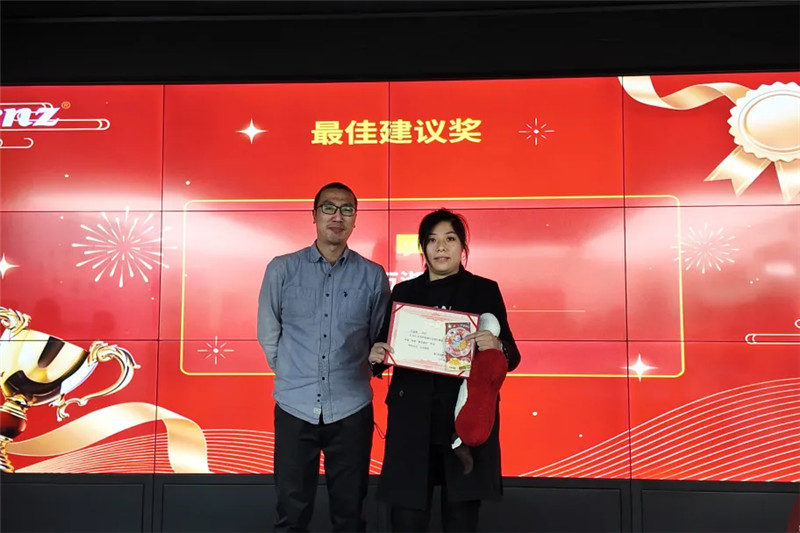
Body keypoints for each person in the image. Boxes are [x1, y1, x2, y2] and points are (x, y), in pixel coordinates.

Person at [368, 208, 521, 532]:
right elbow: (384, 348)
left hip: (462, 421)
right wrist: (376, 356)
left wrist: (496, 345)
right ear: (422, 247)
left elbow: (512, 354)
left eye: (450, 239)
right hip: (412, 420)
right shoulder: (404, 293)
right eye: (432, 240)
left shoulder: (484, 290)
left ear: (462, 246)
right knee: (406, 520)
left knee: (461, 519)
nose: (441, 247)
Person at [258, 182, 391, 532]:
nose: (337, 216)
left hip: (351, 409)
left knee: (350, 513)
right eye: (329, 207)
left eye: (347, 209)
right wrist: (293, 373)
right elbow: (269, 334)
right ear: (314, 215)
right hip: (294, 407)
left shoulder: (373, 275)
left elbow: (379, 338)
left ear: (355, 219)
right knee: (291, 512)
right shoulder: (283, 269)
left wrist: (373, 359)